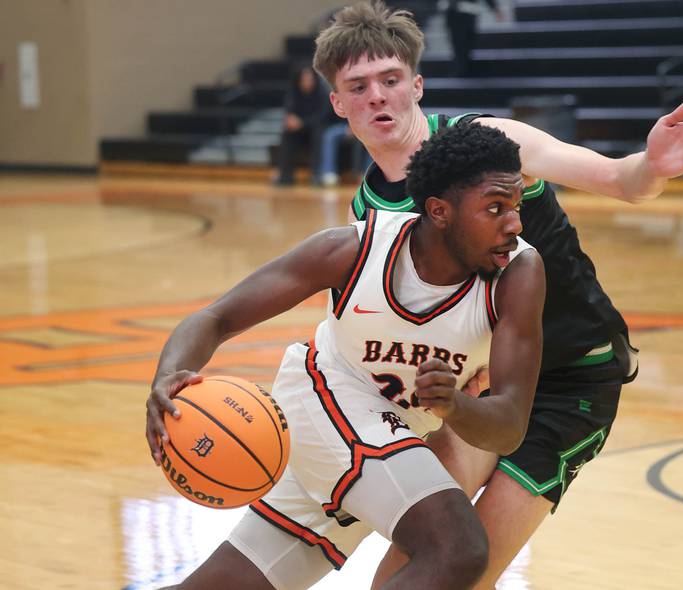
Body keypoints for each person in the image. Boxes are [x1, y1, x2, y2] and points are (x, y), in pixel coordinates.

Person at [311, 3, 683, 587]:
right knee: (413, 565)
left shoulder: (488, 141)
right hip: (485, 388)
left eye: (390, 79)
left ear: (417, 85)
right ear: (337, 103)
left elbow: (618, 179)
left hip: (569, 378)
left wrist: (651, 167)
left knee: (469, 570)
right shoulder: (368, 215)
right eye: (359, 87)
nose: (378, 97)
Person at [145, 123, 547, 589]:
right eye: (495, 208)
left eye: (515, 207)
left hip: (390, 434)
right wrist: (170, 375)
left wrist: (457, 406)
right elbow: (216, 318)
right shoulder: (354, 249)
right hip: (323, 396)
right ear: (439, 211)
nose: (514, 224)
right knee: (456, 547)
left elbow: (510, 426)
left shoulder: (519, 272)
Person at [273, 65, 330, 186]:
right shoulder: (293, 92)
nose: (307, 82)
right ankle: (285, 175)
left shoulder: (322, 92)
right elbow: (289, 111)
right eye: (304, 79)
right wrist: (291, 120)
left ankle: (316, 175)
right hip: (300, 130)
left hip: (315, 127)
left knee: (318, 133)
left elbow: (322, 116)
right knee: (287, 133)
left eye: (309, 79)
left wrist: (302, 123)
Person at [440, 0, 503, 77]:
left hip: (468, 15)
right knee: (459, 46)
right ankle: (461, 71)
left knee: (466, 46)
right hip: (455, 14)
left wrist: (495, 8)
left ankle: (462, 71)